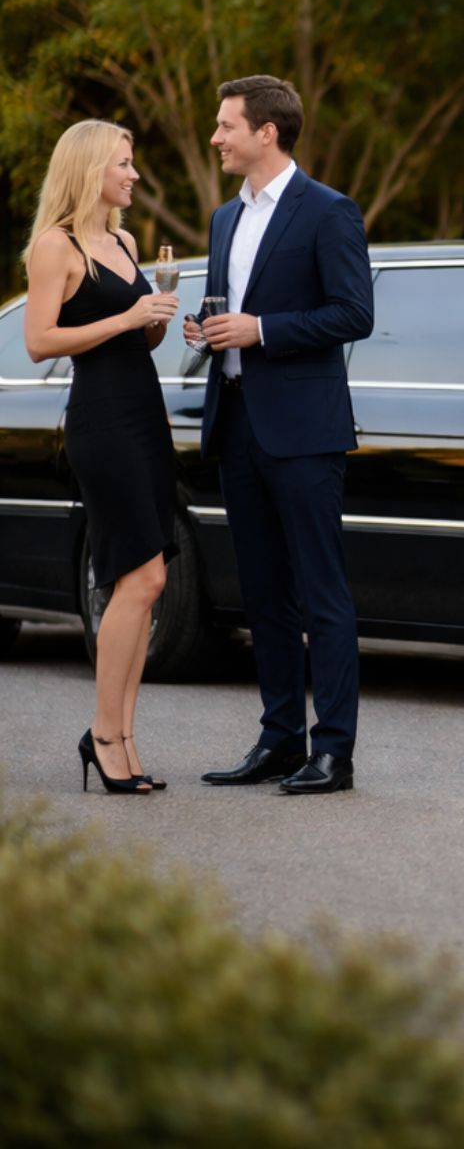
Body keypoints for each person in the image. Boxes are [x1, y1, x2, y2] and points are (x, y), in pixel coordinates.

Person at [189, 76, 373, 795]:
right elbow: (228, 313)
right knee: (264, 594)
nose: (215, 137)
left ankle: (333, 751)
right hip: (236, 422)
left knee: (321, 592)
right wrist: (210, 333)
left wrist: (261, 330)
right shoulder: (222, 220)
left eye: (226, 125)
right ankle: (278, 740)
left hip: (303, 432)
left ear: (267, 132)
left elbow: (352, 314)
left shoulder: (329, 211)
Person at [22, 121, 181, 794]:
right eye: (124, 163)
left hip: (144, 414)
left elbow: (135, 343)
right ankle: (103, 734)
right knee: (138, 578)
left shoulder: (123, 240)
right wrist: (125, 317)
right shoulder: (53, 247)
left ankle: (125, 737)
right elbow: (39, 341)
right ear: (90, 169)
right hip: (101, 423)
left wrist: (157, 322)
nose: (134, 175)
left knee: (148, 582)